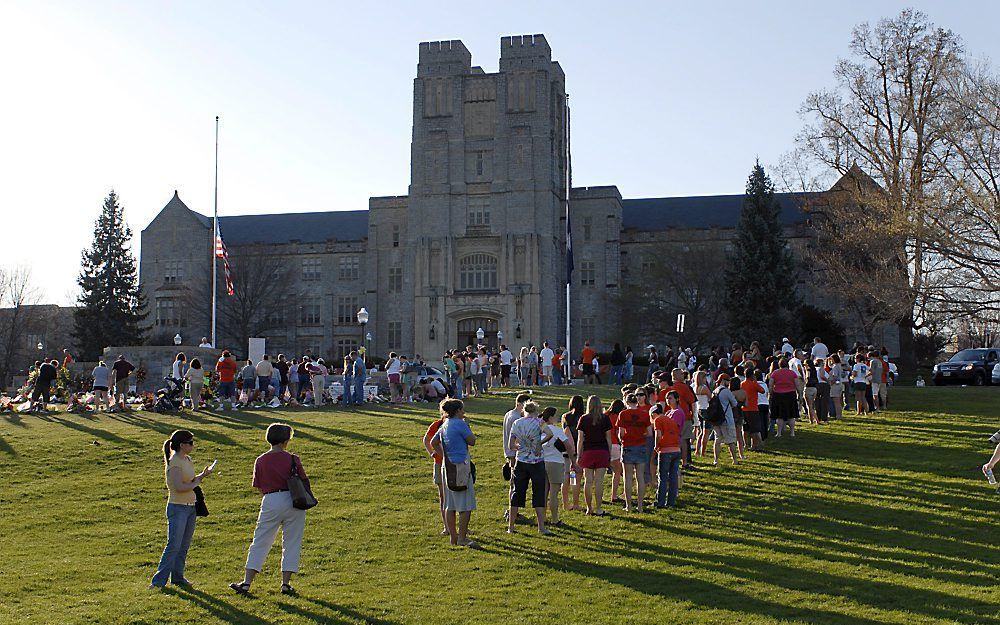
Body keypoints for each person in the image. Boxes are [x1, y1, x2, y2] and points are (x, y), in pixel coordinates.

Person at [230, 423, 311, 596]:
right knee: (291, 541)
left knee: (260, 540)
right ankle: (285, 583)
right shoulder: (292, 459)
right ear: (285, 440)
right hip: (293, 499)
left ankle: (247, 582)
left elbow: (258, 486)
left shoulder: (261, 460)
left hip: (271, 499)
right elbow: (303, 479)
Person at [150, 429, 214, 588]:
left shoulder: (187, 459)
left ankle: (178, 577)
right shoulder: (175, 463)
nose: (193, 445)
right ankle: (158, 582)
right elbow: (179, 487)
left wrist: (202, 476)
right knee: (173, 546)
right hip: (178, 508)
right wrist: (196, 483)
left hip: (190, 507)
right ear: (182, 445)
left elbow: (190, 481)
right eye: (190, 443)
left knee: (184, 545)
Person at [430, 399, 478, 548]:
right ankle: (462, 538)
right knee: (465, 505)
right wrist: (468, 425)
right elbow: (472, 441)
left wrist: (443, 455)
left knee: (449, 505)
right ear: (458, 410)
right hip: (461, 467)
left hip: (447, 466)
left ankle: (453, 537)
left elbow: (433, 442)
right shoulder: (460, 424)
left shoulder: (445, 424)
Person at [507, 401, 552, 534]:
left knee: (516, 493)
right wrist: (539, 443)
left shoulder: (517, 423)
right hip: (537, 462)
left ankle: (511, 526)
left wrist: (519, 446)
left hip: (521, 461)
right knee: (538, 493)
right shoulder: (539, 422)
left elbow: (511, 444)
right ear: (536, 411)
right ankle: (541, 527)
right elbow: (549, 434)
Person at [576, 395, 612, 516]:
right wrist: (609, 453)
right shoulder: (605, 418)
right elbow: (608, 438)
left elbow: (580, 439)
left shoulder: (583, 418)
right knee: (599, 481)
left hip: (588, 451)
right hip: (602, 451)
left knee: (588, 481)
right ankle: (598, 508)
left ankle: (588, 507)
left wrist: (578, 454)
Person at [617, 393, 652, 513]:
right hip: (641, 446)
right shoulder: (644, 414)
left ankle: (629, 505)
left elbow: (620, 433)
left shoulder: (623, 414)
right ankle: (640, 506)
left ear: (626, 402)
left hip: (628, 446)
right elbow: (650, 433)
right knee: (640, 477)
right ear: (636, 402)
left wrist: (623, 439)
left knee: (627, 477)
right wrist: (641, 435)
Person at [540, 407, 571, 526]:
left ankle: (542, 517)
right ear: (551, 417)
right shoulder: (557, 431)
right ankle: (554, 519)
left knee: (543, 492)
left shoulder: (540, 429)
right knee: (553, 493)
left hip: (542, 462)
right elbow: (568, 445)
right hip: (555, 462)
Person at [654, 393, 685, 508]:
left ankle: (661, 501)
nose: (668, 400)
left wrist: (657, 444)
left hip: (669, 446)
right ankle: (670, 501)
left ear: (677, 399)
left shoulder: (677, 413)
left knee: (665, 476)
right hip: (674, 447)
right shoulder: (668, 413)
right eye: (667, 398)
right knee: (671, 476)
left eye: (670, 398)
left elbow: (672, 430)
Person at [502, 394, 530, 520]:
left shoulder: (509, 413)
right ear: (520, 404)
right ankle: (513, 513)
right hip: (514, 453)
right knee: (515, 484)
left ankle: (512, 511)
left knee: (514, 483)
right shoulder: (516, 418)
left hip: (509, 452)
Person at [422, 412, 448, 536]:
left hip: (455, 464)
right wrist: (432, 452)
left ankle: (460, 526)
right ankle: (447, 527)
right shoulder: (437, 425)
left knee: (456, 496)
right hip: (439, 463)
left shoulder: (459, 424)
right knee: (443, 497)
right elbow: (427, 440)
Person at [561, 395, 586, 511]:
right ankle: (575, 503)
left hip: (567, 451)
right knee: (576, 478)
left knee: (567, 477)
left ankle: (565, 503)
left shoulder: (565, 417)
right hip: (579, 451)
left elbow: (565, 433)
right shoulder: (583, 417)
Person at [712, 374, 741, 465]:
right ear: (723, 381)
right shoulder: (726, 391)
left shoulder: (715, 391)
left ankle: (716, 460)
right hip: (727, 419)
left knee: (717, 440)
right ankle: (735, 460)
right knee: (731, 440)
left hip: (716, 420)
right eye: (728, 381)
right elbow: (734, 403)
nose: (729, 383)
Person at [769, 358, 800, 437]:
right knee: (791, 414)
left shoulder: (775, 373)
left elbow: (771, 384)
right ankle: (792, 432)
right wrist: (799, 394)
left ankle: (779, 433)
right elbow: (797, 384)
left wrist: (771, 393)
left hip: (778, 394)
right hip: (791, 394)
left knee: (779, 415)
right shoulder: (792, 373)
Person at [740, 367, 766, 451]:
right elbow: (762, 391)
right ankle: (754, 445)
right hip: (753, 409)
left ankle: (746, 445)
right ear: (752, 375)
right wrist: (755, 381)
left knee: (745, 429)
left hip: (744, 409)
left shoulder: (742, 384)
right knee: (754, 429)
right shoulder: (753, 384)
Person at [606, 398, 626, 504]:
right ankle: (614, 495)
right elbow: (619, 432)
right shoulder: (618, 417)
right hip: (615, 445)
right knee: (618, 472)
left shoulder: (605, 416)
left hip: (605, 446)